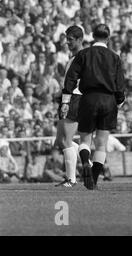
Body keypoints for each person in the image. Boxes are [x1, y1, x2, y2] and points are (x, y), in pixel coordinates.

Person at [62, 24, 125, 190]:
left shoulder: (83, 54)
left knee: (84, 140)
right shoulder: (115, 57)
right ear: (108, 38)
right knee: (102, 144)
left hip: (88, 98)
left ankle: (85, 164)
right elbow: (120, 85)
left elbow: (71, 78)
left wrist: (66, 100)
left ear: (93, 36)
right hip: (109, 100)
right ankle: (94, 181)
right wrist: (118, 102)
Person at [54, 25, 84, 188]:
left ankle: (71, 179)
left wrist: (66, 98)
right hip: (67, 98)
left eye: (70, 39)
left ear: (79, 39)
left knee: (66, 140)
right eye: (67, 39)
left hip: (74, 98)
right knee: (60, 140)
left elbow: (78, 83)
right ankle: (88, 162)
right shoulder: (73, 57)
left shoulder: (82, 56)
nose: (67, 42)